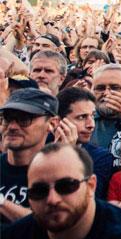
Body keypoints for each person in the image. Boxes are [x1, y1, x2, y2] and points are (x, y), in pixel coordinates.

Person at [2, 89, 77, 224]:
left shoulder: (58, 174)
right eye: (7, 118)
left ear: (52, 123)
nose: (12, 126)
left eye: (24, 119)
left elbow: (51, 223)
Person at [57, 87, 114, 196]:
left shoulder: (101, 157)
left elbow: (88, 197)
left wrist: (69, 154)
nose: (91, 124)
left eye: (92, 116)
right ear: (58, 121)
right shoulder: (39, 147)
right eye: (82, 117)